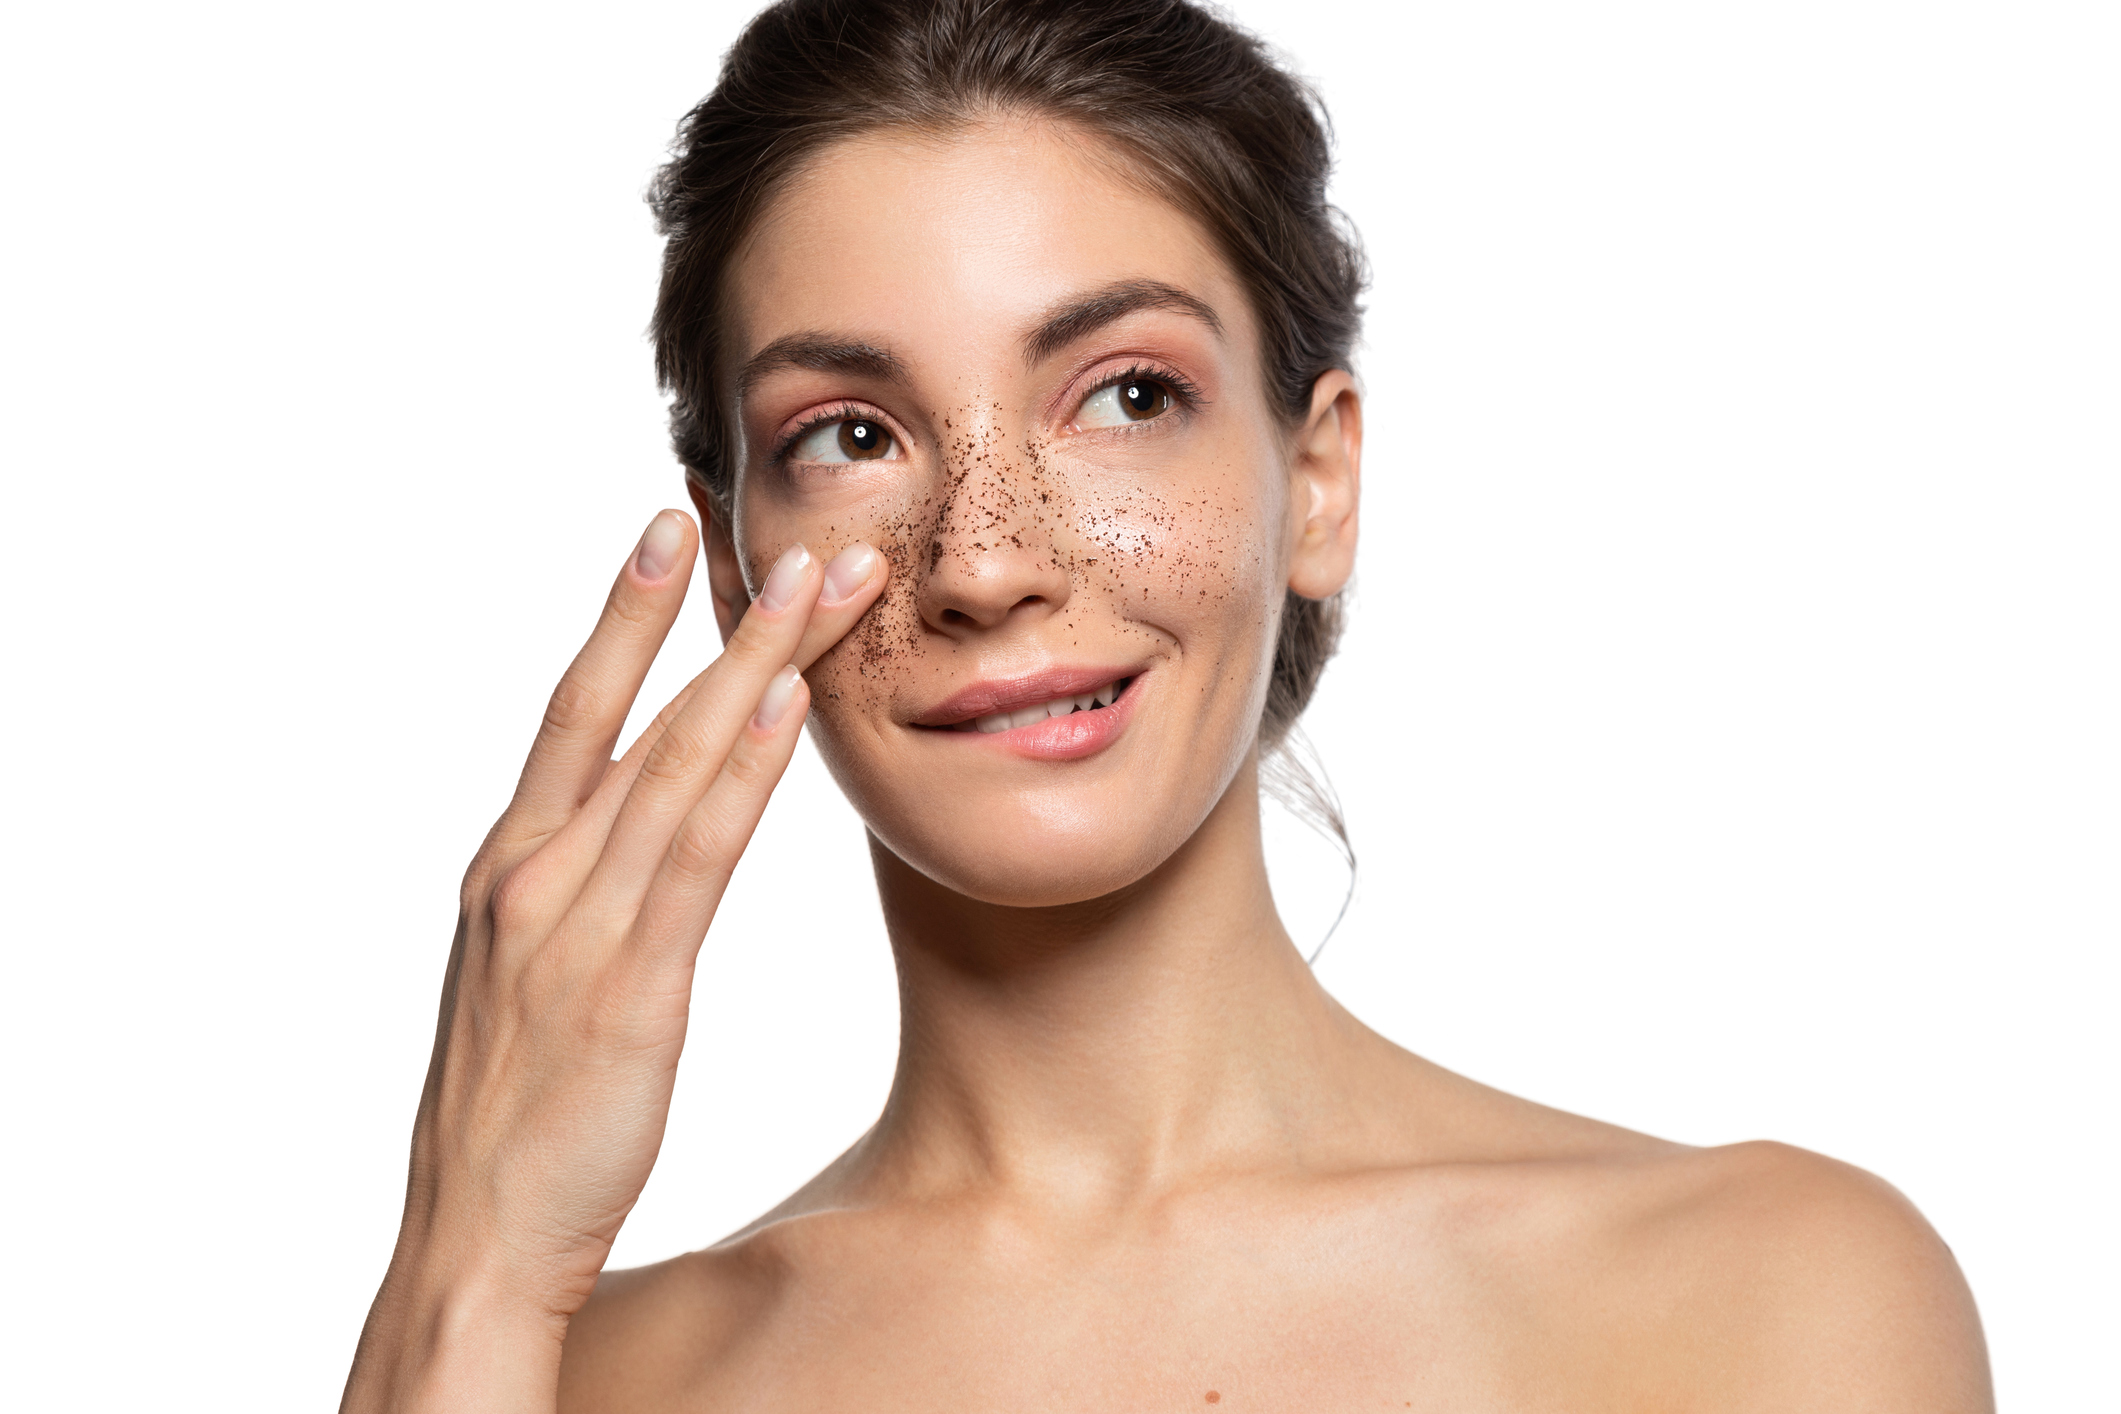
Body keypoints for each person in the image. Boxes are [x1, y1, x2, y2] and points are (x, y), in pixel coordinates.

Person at [343, 1, 1992, 1408]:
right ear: (732, 568)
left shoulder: (1766, 1304)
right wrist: (472, 1259)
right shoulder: (584, 1373)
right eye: (848, 434)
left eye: (1125, 395)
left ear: (1318, 476)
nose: (982, 561)